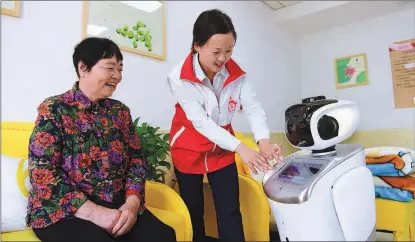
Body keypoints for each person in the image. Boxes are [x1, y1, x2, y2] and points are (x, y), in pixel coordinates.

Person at [26, 37, 176, 242]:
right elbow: (42, 171)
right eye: (110, 68)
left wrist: (132, 203)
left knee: (164, 236)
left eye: (120, 69)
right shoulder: (54, 109)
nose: (117, 76)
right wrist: (95, 213)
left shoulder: (120, 112)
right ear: (83, 68)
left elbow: (136, 159)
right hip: (64, 212)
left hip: (117, 205)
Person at [167, 9, 283, 242]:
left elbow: (252, 107)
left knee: (230, 210)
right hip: (189, 148)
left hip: (222, 148)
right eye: (216, 52)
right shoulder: (178, 77)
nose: (223, 59)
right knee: (193, 212)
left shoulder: (237, 75)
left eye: (229, 51)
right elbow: (201, 122)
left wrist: (264, 142)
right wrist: (241, 147)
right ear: (197, 46)